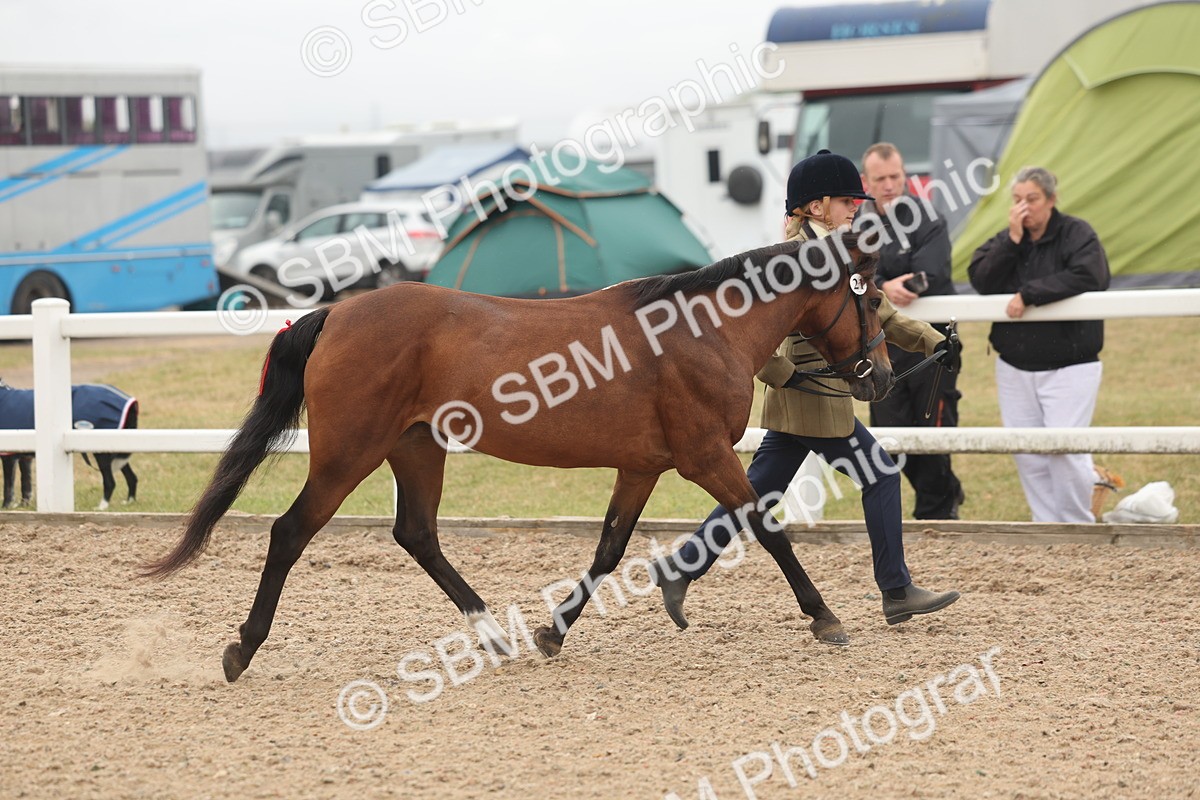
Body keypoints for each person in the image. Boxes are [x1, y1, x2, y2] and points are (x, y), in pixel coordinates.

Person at [650, 149, 960, 637]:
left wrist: (932, 340)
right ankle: (896, 590)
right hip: (811, 392)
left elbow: (876, 313)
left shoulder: (839, 250)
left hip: (819, 393)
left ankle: (683, 564)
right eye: (845, 199)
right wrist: (781, 373)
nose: (855, 206)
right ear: (814, 207)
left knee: (757, 492)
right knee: (880, 475)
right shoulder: (791, 261)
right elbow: (749, 329)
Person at [968, 166, 1110, 523]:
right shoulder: (1006, 240)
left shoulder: (1078, 234)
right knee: (1027, 453)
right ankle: (1046, 525)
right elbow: (981, 278)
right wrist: (1011, 243)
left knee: (1064, 450)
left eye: (1031, 199)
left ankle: (1077, 525)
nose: (1024, 207)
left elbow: (1092, 274)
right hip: (1015, 364)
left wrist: (1030, 294)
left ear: (1051, 199)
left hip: (1071, 363)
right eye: (1017, 200)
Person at [859, 142, 965, 519]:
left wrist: (897, 283)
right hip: (882, 347)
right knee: (891, 437)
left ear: (905, 175)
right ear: (866, 182)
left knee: (932, 430)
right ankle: (945, 495)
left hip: (932, 344)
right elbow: (855, 272)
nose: (890, 185)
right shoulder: (858, 225)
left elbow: (933, 269)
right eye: (881, 179)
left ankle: (937, 514)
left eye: (896, 177)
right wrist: (885, 287)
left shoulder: (927, 215)